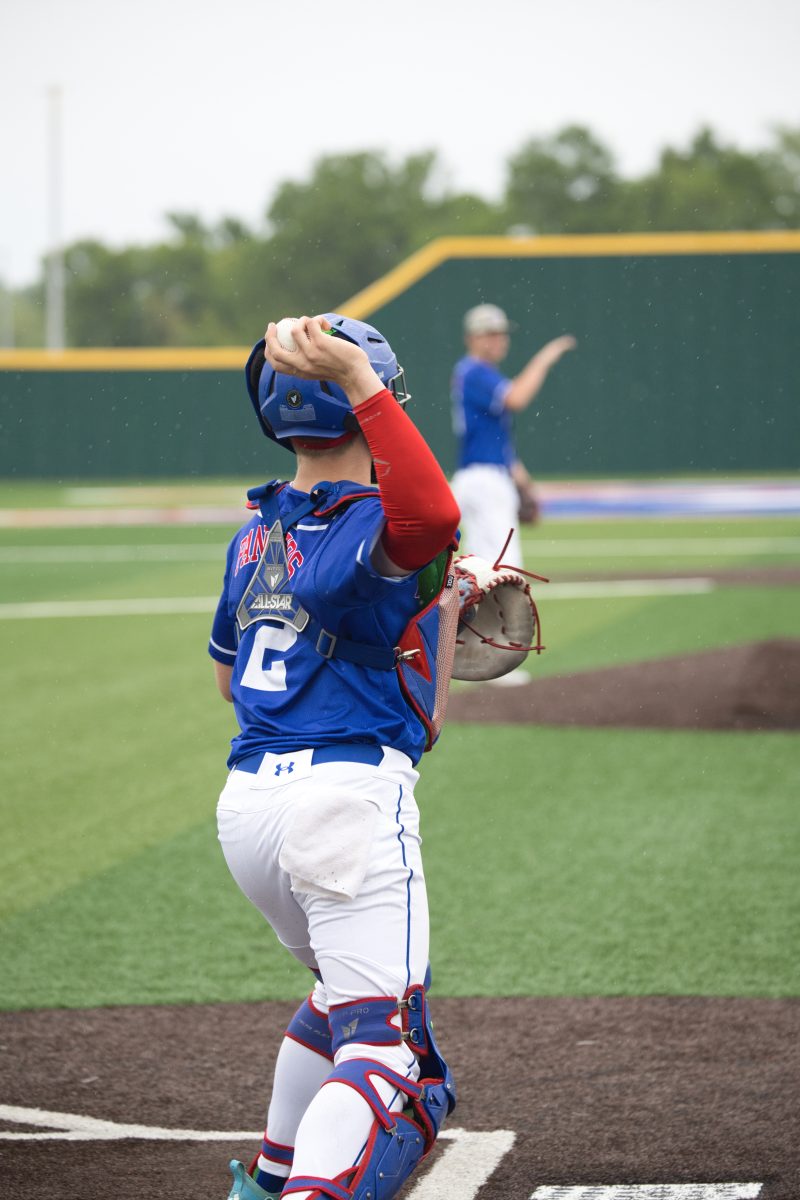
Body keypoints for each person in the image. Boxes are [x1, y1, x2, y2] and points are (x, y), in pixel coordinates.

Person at [208, 313, 460, 1200]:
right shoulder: (367, 524)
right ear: (365, 402)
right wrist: (360, 377)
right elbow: (432, 514)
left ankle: (268, 1180)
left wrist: (437, 613)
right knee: (392, 1055)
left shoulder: (256, 532)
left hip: (250, 812)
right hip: (344, 804)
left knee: (339, 995)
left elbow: (230, 680)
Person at [450, 302, 576, 567]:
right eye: (490, 334)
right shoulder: (474, 371)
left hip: (484, 476)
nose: (499, 340)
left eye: (502, 333)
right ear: (471, 338)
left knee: (483, 569)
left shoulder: (477, 372)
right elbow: (516, 398)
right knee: (505, 570)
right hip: (485, 480)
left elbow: (498, 443)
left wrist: (524, 485)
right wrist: (545, 359)